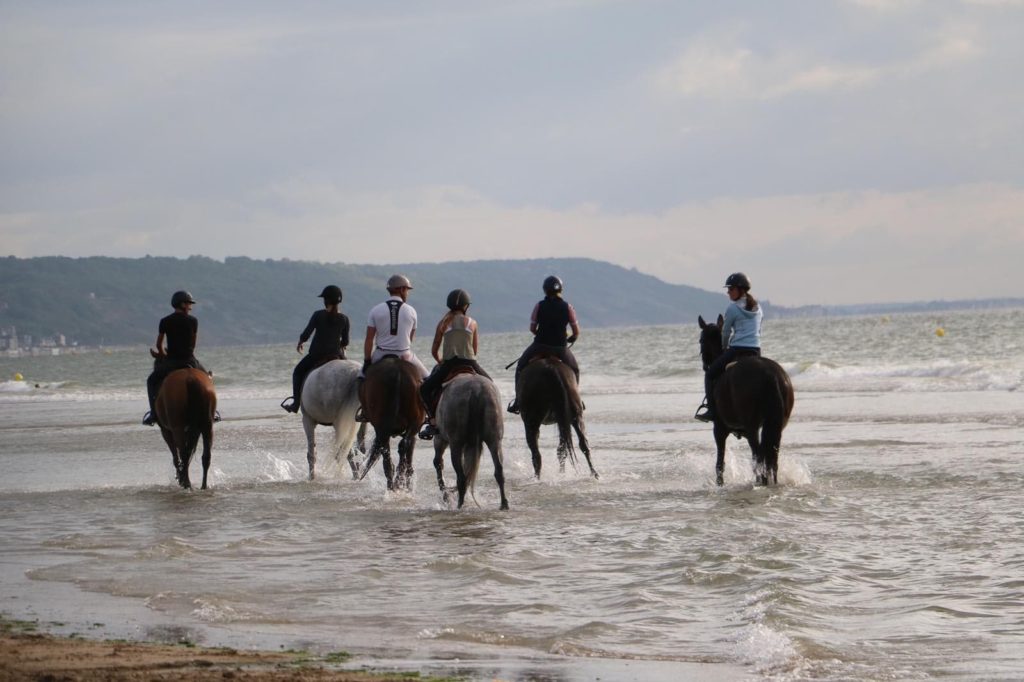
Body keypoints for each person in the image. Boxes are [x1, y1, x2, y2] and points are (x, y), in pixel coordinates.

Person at [417, 289, 492, 440]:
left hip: (450, 364)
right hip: (470, 362)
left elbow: (434, 350)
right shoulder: (473, 323)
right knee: (490, 385)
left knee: (424, 389)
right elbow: (474, 350)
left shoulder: (443, 323)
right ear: (466, 306)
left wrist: (441, 362)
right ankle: (491, 420)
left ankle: (432, 422)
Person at [694, 272, 763, 422]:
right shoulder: (758, 308)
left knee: (710, 374)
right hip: (756, 351)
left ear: (740, 290)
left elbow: (725, 332)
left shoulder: (732, 309)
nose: (728, 292)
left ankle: (711, 411)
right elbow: (758, 330)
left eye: (730, 289)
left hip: (738, 349)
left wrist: (724, 347)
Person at [507, 275, 580, 414]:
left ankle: (517, 401)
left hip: (540, 345)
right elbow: (576, 331)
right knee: (575, 370)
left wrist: (541, 335)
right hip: (560, 348)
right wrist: (572, 338)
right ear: (561, 290)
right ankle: (575, 401)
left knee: (520, 366)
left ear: (545, 290)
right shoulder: (568, 307)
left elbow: (532, 329)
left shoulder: (539, 306)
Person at [143, 290, 213, 426]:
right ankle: (212, 412)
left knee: (151, 381)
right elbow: (193, 344)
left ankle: (153, 414)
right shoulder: (193, 321)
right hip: (190, 360)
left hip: (172, 362)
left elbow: (159, 344)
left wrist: (162, 354)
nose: (190, 307)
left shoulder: (165, 321)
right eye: (188, 304)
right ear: (182, 304)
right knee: (208, 378)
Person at [281, 285, 350, 413]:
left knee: (297, 372)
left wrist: (301, 341)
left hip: (317, 355)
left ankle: (296, 403)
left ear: (326, 300)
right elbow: (346, 341)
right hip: (336, 355)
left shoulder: (318, 315)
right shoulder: (344, 319)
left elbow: (307, 333)